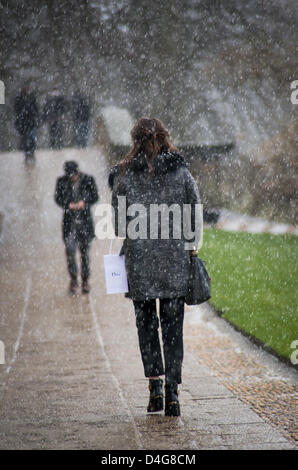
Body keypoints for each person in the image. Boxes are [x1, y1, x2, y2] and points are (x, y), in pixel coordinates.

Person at [109, 117, 202, 416]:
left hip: (140, 263)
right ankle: (174, 393)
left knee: (147, 327)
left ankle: (156, 389)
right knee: (173, 329)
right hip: (174, 262)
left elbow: (118, 224)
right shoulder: (182, 173)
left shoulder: (124, 175)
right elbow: (195, 216)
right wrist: (188, 246)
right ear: (165, 138)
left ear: (135, 141)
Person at [55, 161, 99, 294]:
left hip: (85, 222)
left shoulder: (88, 179)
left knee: (85, 253)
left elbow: (95, 196)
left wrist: (84, 203)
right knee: (70, 250)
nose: (72, 178)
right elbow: (58, 198)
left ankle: (85, 280)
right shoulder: (62, 181)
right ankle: (74, 279)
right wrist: (67, 204)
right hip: (69, 223)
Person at [14, 86, 39, 162]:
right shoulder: (20, 99)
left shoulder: (32, 98)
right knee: (25, 139)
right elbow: (17, 110)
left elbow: (36, 110)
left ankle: (31, 152)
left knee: (32, 139)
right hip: (24, 123)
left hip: (31, 123)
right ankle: (27, 153)